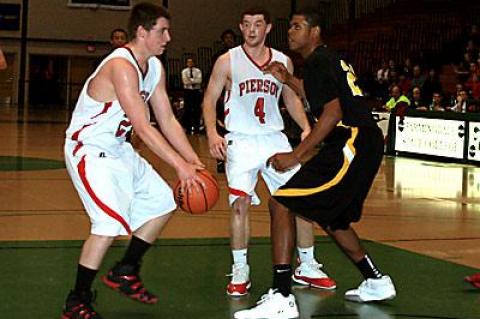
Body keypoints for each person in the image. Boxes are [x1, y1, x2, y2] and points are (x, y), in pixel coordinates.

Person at [234, 9, 396, 319]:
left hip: (351, 141)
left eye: (297, 26)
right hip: (363, 141)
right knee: (333, 218)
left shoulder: (320, 60)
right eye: (290, 26)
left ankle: (281, 295)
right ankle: (375, 280)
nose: (291, 31)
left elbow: (332, 113)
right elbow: (324, 96)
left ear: (315, 32)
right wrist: (290, 80)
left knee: (281, 204)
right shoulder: (326, 60)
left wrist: (295, 156)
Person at [61, 3, 204, 318]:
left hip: (118, 148)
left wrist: (193, 160)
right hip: (89, 148)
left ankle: (125, 270)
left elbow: (166, 119)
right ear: (142, 31)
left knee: (165, 201)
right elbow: (143, 126)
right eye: (161, 30)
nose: (168, 37)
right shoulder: (121, 66)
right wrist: (179, 167)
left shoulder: (153, 67)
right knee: (108, 224)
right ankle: (77, 300)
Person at [203, 7, 336, 297]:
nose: (252, 30)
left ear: (267, 28)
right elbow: (210, 98)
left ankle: (308, 264)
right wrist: (213, 133)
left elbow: (290, 95)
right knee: (239, 205)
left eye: (258, 24)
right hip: (241, 140)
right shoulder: (227, 61)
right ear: (241, 27)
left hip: (274, 139)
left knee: (300, 202)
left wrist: (304, 127)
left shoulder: (282, 59)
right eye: (247, 24)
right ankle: (240, 269)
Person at [212, 29, 237, 173]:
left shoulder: (242, 55)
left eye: (231, 37)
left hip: (239, 97)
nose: (229, 40)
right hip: (222, 97)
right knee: (221, 129)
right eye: (226, 38)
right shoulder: (219, 58)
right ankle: (221, 160)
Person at [181, 57, 203, 133]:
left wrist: (190, 80)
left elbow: (199, 80)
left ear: (193, 63)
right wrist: (193, 81)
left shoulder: (198, 71)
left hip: (196, 91)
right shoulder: (184, 71)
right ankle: (188, 127)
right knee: (187, 109)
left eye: (191, 62)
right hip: (188, 91)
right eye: (188, 62)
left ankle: (197, 127)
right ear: (187, 63)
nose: (190, 63)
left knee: (197, 109)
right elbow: (185, 81)